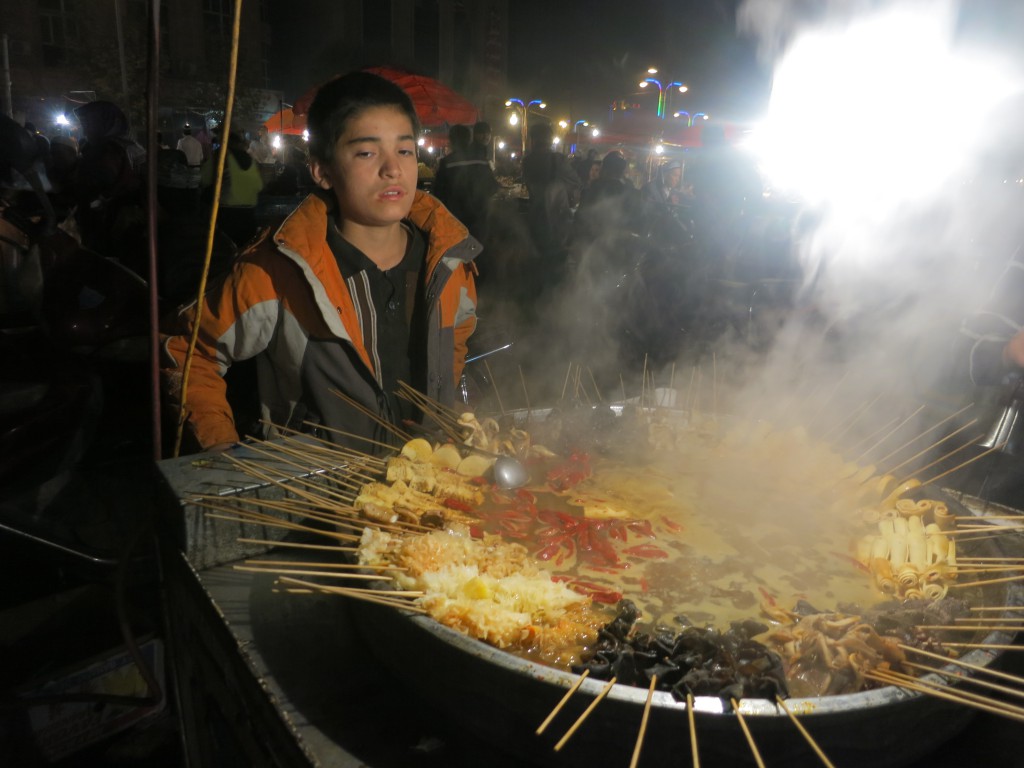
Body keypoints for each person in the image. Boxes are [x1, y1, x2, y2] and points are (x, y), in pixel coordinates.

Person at [161, 70, 480, 454]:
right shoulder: (277, 270)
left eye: (405, 150)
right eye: (367, 152)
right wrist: (221, 448)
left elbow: (456, 341)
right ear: (321, 170)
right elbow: (190, 351)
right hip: (317, 498)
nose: (392, 168)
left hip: (429, 493)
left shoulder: (448, 261)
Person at [521, 122, 580, 270]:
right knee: (555, 260)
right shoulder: (558, 159)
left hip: (535, 216)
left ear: (533, 140)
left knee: (538, 259)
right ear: (549, 139)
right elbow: (576, 182)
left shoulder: (527, 161)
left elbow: (530, 186)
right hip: (556, 219)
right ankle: (555, 289)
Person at [432, 124, 500, 241]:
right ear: (469, 139)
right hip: (480, 221)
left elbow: (438, 194)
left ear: (452, 141)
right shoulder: (481, 160)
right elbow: (493, 187)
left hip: (456, 221)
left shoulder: (446, 163)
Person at [202, 129, 265, 248]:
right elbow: (259, 186)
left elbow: (203, 179)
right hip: (249, 216)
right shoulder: (251, 160)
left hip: (227, 216)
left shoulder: (221, 157)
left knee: (226, 254)